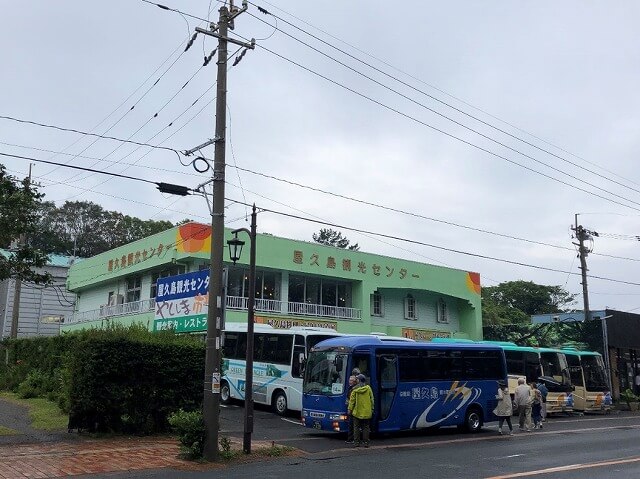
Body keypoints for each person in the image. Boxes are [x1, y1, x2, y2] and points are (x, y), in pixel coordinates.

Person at [348, 373, 374, 448]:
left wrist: (350, 409)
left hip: (357, 412)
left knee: (356, 427)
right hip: (367, 412)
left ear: (359, 380)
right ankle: (366, 442)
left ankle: (356, 442)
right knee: (366, 427)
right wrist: (372, 408)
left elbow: (352, 401)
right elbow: (372, 399)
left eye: (357, 379)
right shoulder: (368, 388)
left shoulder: (354, 390)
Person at [345, 375, 358, 444]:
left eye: (351, 380)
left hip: (354, 409)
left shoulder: (354, 389)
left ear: (355, 382)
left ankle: (351, 439)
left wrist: (349, 408)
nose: (349, 381)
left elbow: (352, 400)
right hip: (353, 408)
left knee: (352, 424)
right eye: (349, 380)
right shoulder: (351, 388)